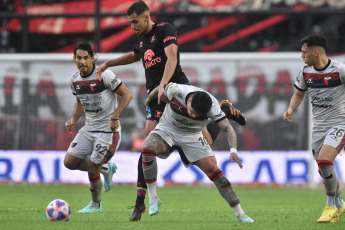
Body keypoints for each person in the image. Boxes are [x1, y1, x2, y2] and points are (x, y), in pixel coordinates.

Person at [96, 1, 246, 221]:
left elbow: (172, 58)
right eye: (129, 23)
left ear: (147, 17)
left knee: (206, 141)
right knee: (148, 146)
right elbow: (135, 55)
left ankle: (222, 110)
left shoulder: (165, 30)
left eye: (135, 22)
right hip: (158, 95)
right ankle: (140, 203)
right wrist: (108, 63)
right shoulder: (142, 38)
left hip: (177, 91)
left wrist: (164, 86)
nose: (132, 27)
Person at [141, 82, 254, 222]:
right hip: (168, 130)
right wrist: (148, 101)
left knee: (214, 171)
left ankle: (240, 214)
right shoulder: (176, 90)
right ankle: (153, 196)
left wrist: (233, 151)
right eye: (192, 111)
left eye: (198, 114)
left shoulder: (212, 105)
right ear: (188, 101)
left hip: (192, 136)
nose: (194, 116)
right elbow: (160, 88)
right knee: (148, 147)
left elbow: (229, 130)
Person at [283, 34, 345, 223]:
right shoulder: (305, 72)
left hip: (339, 123)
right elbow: (298, 94)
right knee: (323, 167)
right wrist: (291, 108)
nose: (302, 56)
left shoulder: (340, 70)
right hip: (318, 128)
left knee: (325, 160)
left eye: (304, 52)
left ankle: (330, 205)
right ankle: (340, 203)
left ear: (315, 52)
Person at [64, 42, 132, 213]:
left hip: (108, 131)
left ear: (92, 58)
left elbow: (127, 94)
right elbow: (80, 101)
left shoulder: (104, 74)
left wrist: (115, 116)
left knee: (93, 167)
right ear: (74, 59)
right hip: (89, 128)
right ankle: (107, 168)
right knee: (69, 162)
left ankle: (96, 205)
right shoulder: (75, 80)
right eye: (79, 58)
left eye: (86, 57)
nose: (82, 61)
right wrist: (73, 118)